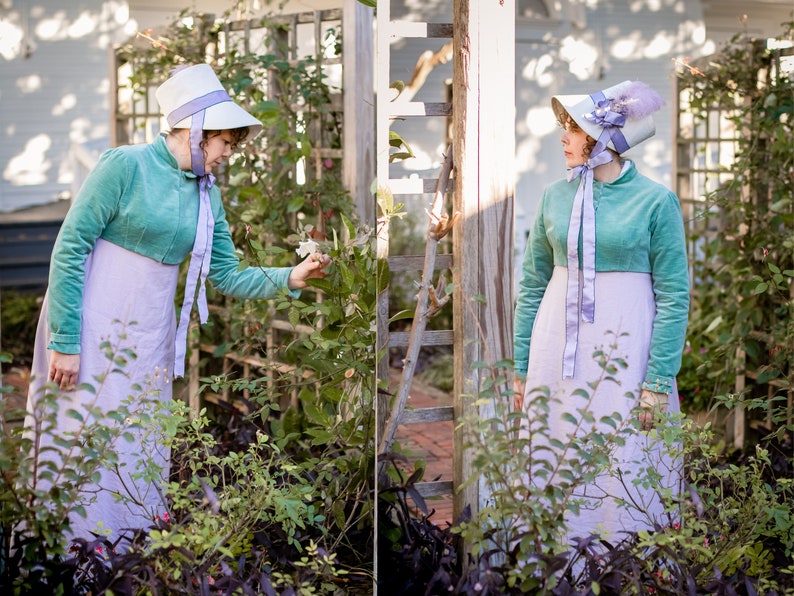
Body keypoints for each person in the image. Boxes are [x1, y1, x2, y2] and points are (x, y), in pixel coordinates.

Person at [24, 63, 330, 541]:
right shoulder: (124, 165)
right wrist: (64, 339)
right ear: (196, 130)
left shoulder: (209, 196)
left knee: (136, 436)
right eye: (225, 142)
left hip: (150, 328)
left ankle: (125, 548)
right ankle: (66, 549)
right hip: (91, 319)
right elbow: (71, 247)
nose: (229, 154)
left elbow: (226, 274)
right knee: (81, 431)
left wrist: (291, 275)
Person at [512, 80, 690, 544]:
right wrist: (520, 365)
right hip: (557, 354)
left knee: (624, 457)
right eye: (564, 128)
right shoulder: (554, 195)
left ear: (602, 139)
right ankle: (555, 563)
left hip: (626, 356)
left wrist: (656, 380)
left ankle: (627, 567)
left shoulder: (656, 201)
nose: (563, 138)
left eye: (572, 128)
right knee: (555, 453)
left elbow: (674, 297)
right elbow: (532, 285)